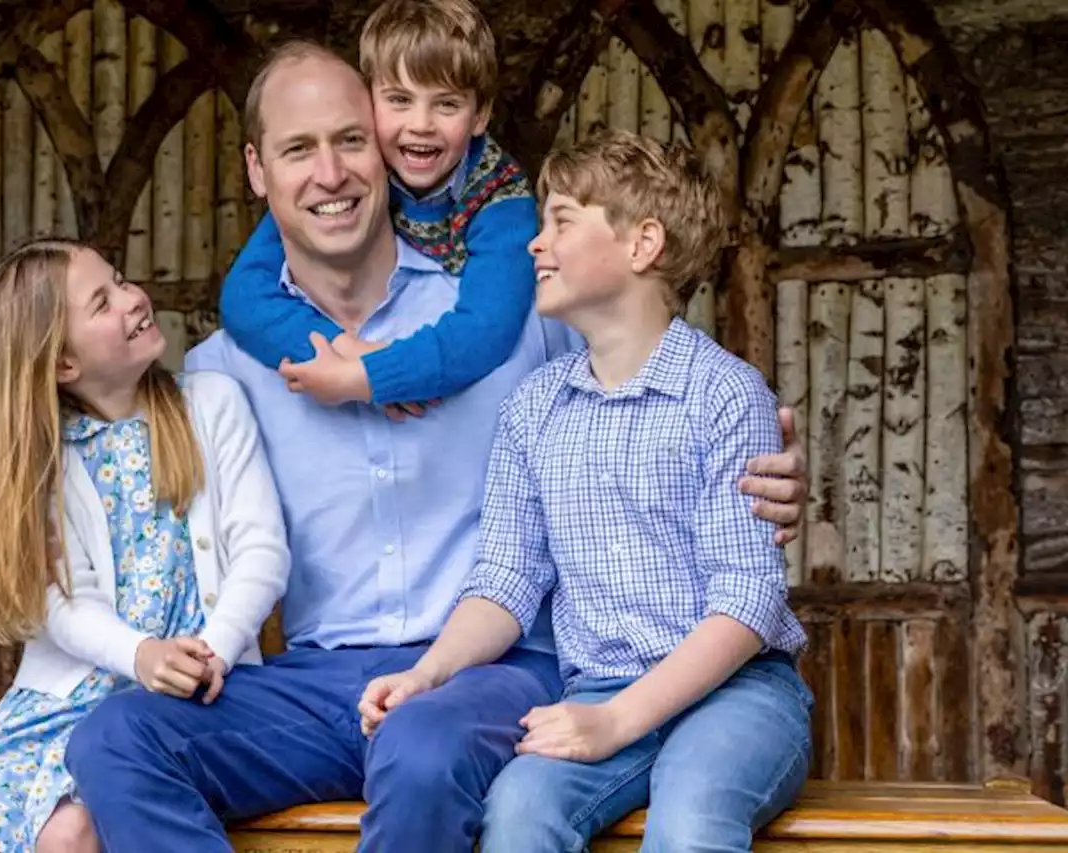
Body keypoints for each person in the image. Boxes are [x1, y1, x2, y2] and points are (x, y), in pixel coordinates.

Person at [64, 44, 809, 853]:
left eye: (351, 141)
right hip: (320, 683)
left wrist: (769, 471)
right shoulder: (223, 374)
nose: (331, 173)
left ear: (385, 149)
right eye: (297, 150)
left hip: (496, 672)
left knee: (422, 747)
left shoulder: (513, 320)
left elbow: (648, 385)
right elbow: (107, 519)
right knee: (118, 737)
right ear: (256, 169)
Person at [358, 130, 813, 852]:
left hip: (740, 693)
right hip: (598, 686)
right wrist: (425, 672)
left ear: (642, 245)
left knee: (690, 819)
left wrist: (619, 721)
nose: (535, 245)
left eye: (561, 222)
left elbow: (748, 598)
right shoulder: (534, 409)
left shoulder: (724, 394)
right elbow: (506, 579)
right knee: (517, 812)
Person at [0, 239, 290, 853]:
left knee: (70, 835)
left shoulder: (211, 405)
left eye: (120, 280)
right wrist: (139, 652)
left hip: (183, 699)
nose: (133, 298)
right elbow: (64, 604)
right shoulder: (46, 461)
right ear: (64, 364)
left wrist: (216, 650)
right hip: (57, 705)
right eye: (103, 301)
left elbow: (261, 552)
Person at [218, 0, 537, 415]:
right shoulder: (360, 175)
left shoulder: (501, 201)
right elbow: (244, 295)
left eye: (446, 104)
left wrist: (375, 376)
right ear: (369, 101)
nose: (420, 124)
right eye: (400, 100)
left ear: (480, 116)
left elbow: (487, 329)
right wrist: (339, 350)